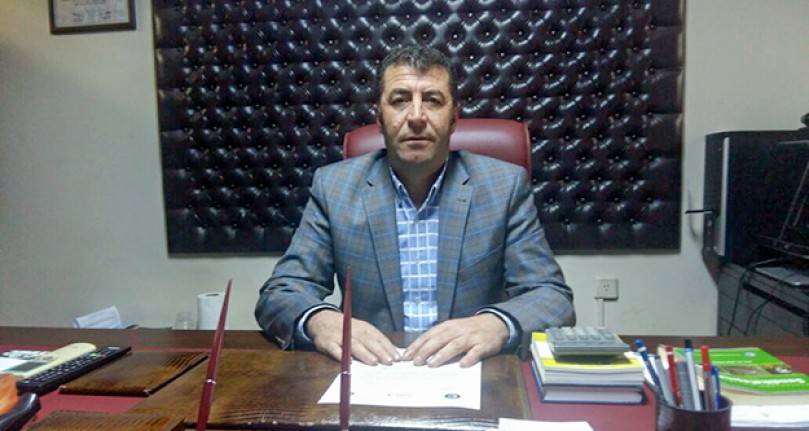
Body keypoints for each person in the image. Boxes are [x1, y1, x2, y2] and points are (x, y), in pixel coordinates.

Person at [255, 44, 574, 368]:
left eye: (432, 100)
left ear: (454, 118)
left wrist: (497, 324)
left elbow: (552, 297)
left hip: (470, 372)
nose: (417, 116)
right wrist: (320, 320)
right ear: (379, 117)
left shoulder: (503, 187)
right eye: (400, 100)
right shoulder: (334, 187)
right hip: (373, 371)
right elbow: (281, 292)